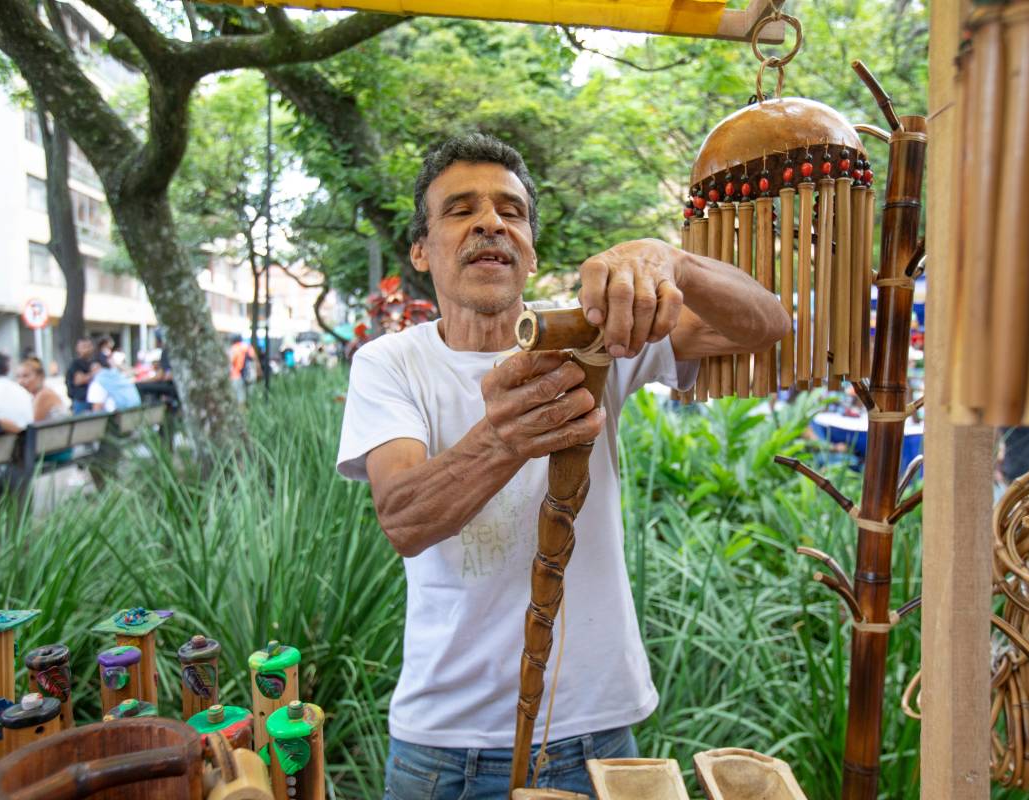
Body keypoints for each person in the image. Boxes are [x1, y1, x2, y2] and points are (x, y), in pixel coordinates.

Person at [336, 134, 789, 799]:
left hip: (593, 731)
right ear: (422, 251)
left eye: (511, 211)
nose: (491, 222)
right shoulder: (391, 364)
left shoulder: (594, 336)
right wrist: (503, 439)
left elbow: (768, 325)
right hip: (444, 751)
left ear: (530, 251)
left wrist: (674, 262)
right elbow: (404, 518)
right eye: (461, 210)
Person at [15, 356, 68, 422]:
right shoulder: (37, 395)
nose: (21, 381)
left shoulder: (44, 395)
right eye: (18, 377)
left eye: (26, 376)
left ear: (39, 376)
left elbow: (33, 425)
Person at [65, 338, 100, 414]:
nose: (87, 349)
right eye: (84, 347)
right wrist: (94, 373)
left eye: (89, 346)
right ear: (78, 348)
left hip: (94, 400)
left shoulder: (95, 361)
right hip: (81, 400)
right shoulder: (75, 364)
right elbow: (78, 380)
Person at [228, 334, 258, 403]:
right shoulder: (248, 347)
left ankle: (242, 412)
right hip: (249, 375)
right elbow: (254, 360)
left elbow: (230, 362)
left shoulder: (233, 348)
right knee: (250, 397)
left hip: (236, 375)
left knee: (240, 398)